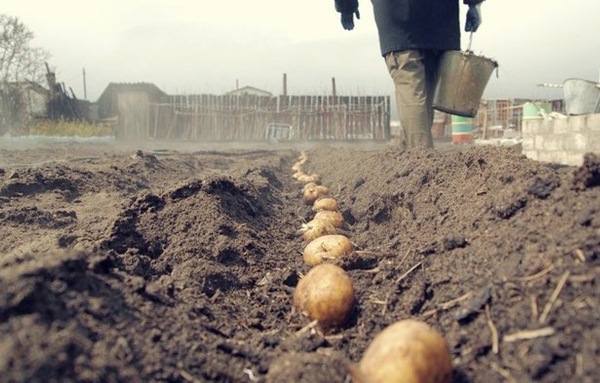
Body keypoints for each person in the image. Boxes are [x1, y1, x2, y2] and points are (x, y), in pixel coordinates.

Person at [334, 0, 485, 149]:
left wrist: (346, 7)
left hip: (400, 21)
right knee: (425, 96)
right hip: (440, 18)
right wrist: (474, 5)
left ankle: (422, 159)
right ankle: (415, 155)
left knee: (412, 89)